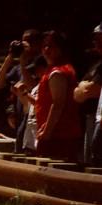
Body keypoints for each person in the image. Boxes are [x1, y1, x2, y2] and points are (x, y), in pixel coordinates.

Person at [32, 31, 82, 162]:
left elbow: (58, 104)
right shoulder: (51, 69)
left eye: (51, 46)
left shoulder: (58, 72)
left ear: (61, 48)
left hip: (59, 135)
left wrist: (47, 132)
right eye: (44, 46)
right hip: (55, 133)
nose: (46, 49)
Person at [0, 29, 43, 149]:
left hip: (33, 117)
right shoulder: (18, 68)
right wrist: (10, 56)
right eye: (23, 41)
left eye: (30, 41)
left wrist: (23, 61)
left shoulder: (41, 65)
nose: (25, 44)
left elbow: (30, 85)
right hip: (20, 116)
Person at [73, 23, 102, 164]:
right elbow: (78, 94)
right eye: (95, 39)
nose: (96, 43)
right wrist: (83, 88)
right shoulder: (97, 65)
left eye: (101, 38)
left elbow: (88, 90)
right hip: (91, 119)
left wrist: (84, 87)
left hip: (98, 120)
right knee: (90, 160)